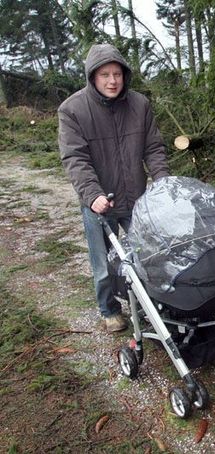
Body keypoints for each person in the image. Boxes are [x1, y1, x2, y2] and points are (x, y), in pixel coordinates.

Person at [58, 44, 170, 333]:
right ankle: (109, 308)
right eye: (105, 74)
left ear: (125, 75)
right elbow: (75, 158)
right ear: (92, 77)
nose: (112, 81)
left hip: (136, 198)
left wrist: (163, 181)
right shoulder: (72, 110)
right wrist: (93, 194)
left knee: (147, 255)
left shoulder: (139, 105)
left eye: (117, 74)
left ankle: (148, 304)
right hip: (98, 200)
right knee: (103, 261)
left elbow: (154, 148)